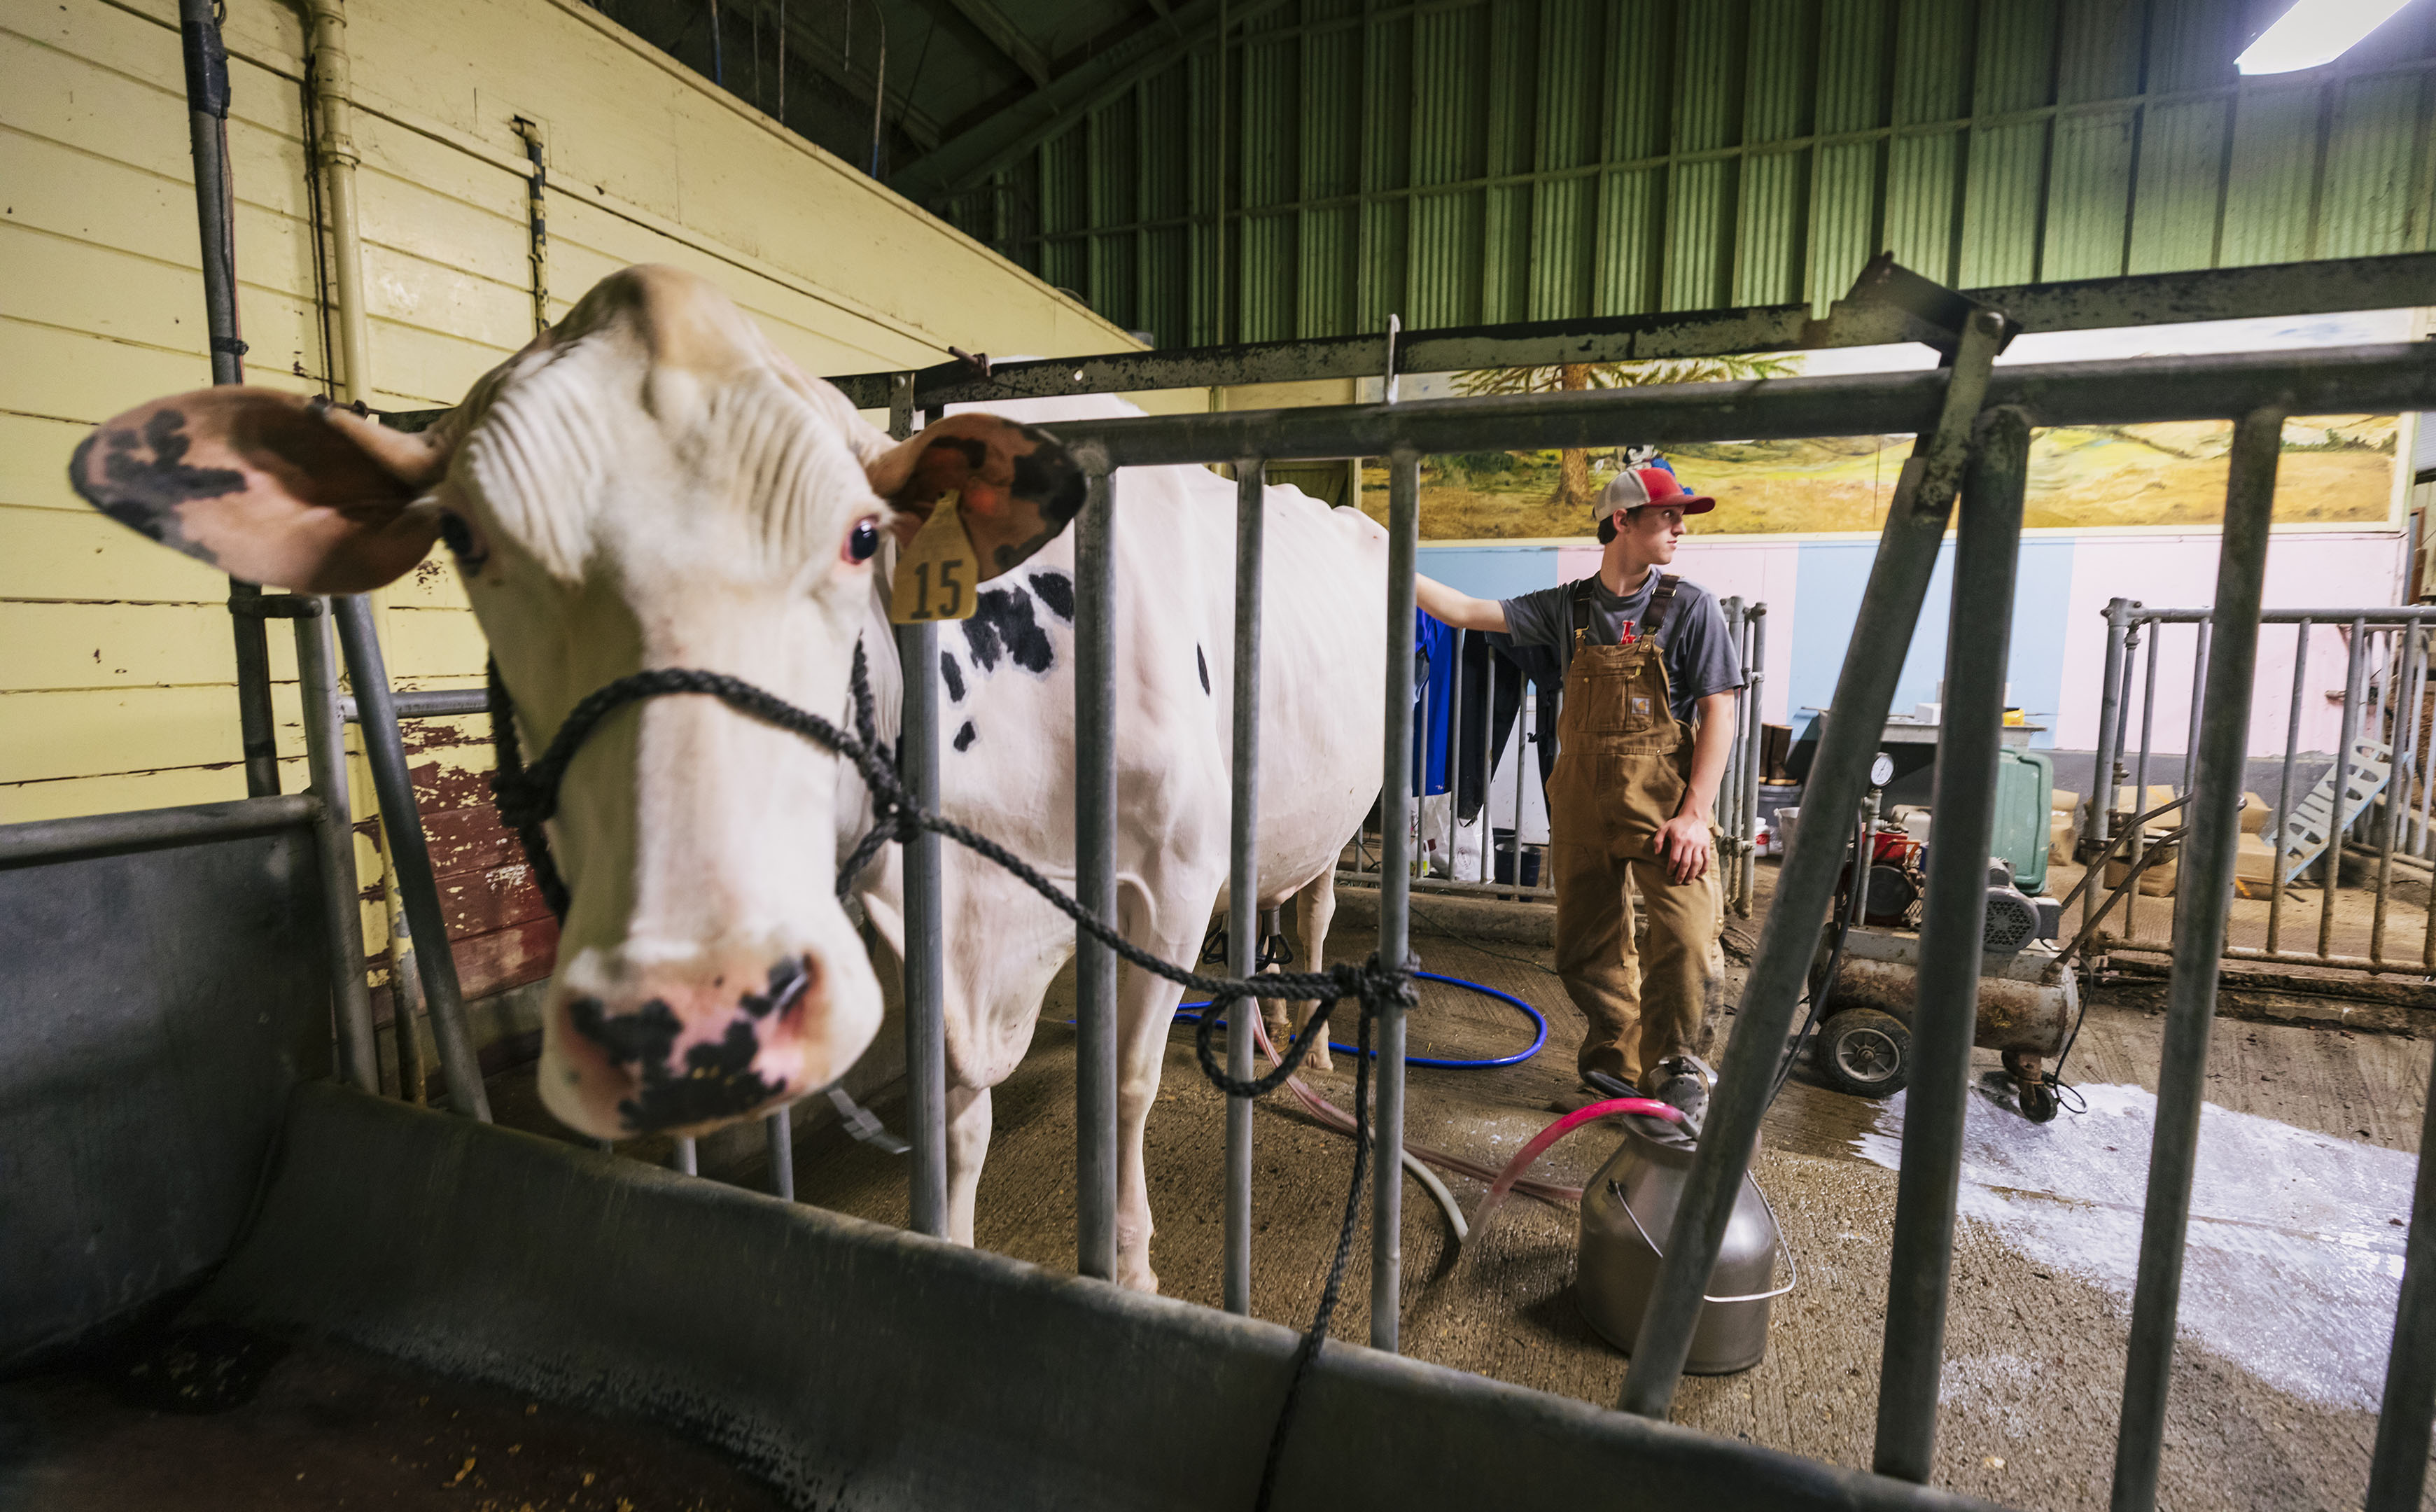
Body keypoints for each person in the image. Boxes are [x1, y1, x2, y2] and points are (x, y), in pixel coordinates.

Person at [1413, 463, 1742, 1123]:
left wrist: (1696, 815)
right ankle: (1615, 1075)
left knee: (1684, 939)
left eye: (1682, 516)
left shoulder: (1691, 606)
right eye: (1667, 514)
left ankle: (1681, 1075)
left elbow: (1720, 712)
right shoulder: (1566, 608)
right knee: (1585, 950)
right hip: (1582, 808)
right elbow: (1463, 611)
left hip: (1665, 810)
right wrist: (1382, 559)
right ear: (1622, 520)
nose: (1680, 527)